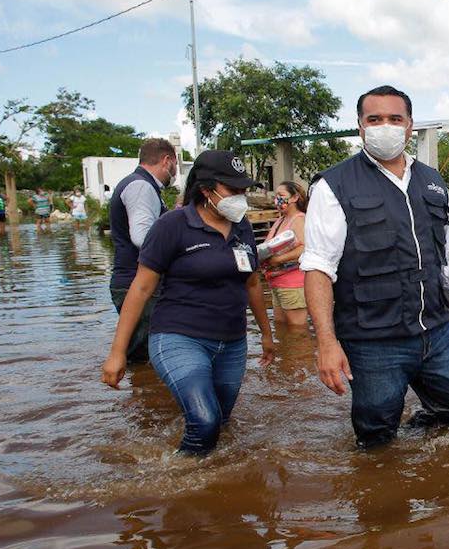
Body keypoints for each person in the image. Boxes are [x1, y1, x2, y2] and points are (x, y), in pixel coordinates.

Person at [301, 85, 449, 449]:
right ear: (360, 127)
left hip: (435, 331)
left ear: (409, 125)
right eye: (375, 119)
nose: (385, 126)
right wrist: (326, 342)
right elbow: (318, 268)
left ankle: (424, 454)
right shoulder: (333, 185)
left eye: (394, 119)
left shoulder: (432, 182)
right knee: (376, 433)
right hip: (372, 340)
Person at [101, 150, 274, 456]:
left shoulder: (242, 227)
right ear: (207, 190)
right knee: (205, 421)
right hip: (179, 337)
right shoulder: (172, 226)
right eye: (233, 191)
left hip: (232, 343)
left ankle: (213, 486)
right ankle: (179, 485)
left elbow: (251, 282)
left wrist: (267, 334)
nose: (242, 198)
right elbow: (140, 289)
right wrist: (118, 353)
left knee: (220, 421)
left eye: (244, 190)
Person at [108, 138, 177, 362]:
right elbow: (141, 237)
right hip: (138, 284)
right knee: (146, 360)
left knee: (146, 358)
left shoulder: (135, 183)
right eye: (175, 164)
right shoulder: (141, 186)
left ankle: (143, 395)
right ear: (167, 160)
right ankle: (145, 396)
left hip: (132, 281)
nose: (174, 171)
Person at [263, 181, 309, 327]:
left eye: (281, 195)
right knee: (281, 327)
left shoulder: (299, 219)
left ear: (294, 198)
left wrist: (278, 260)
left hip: (293, 284)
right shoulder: (281, 219)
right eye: (276, 195)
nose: (277, 199)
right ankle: (286, 350)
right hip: (277, 282)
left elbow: (304, 248)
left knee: (297, 331)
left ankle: (303, 351)